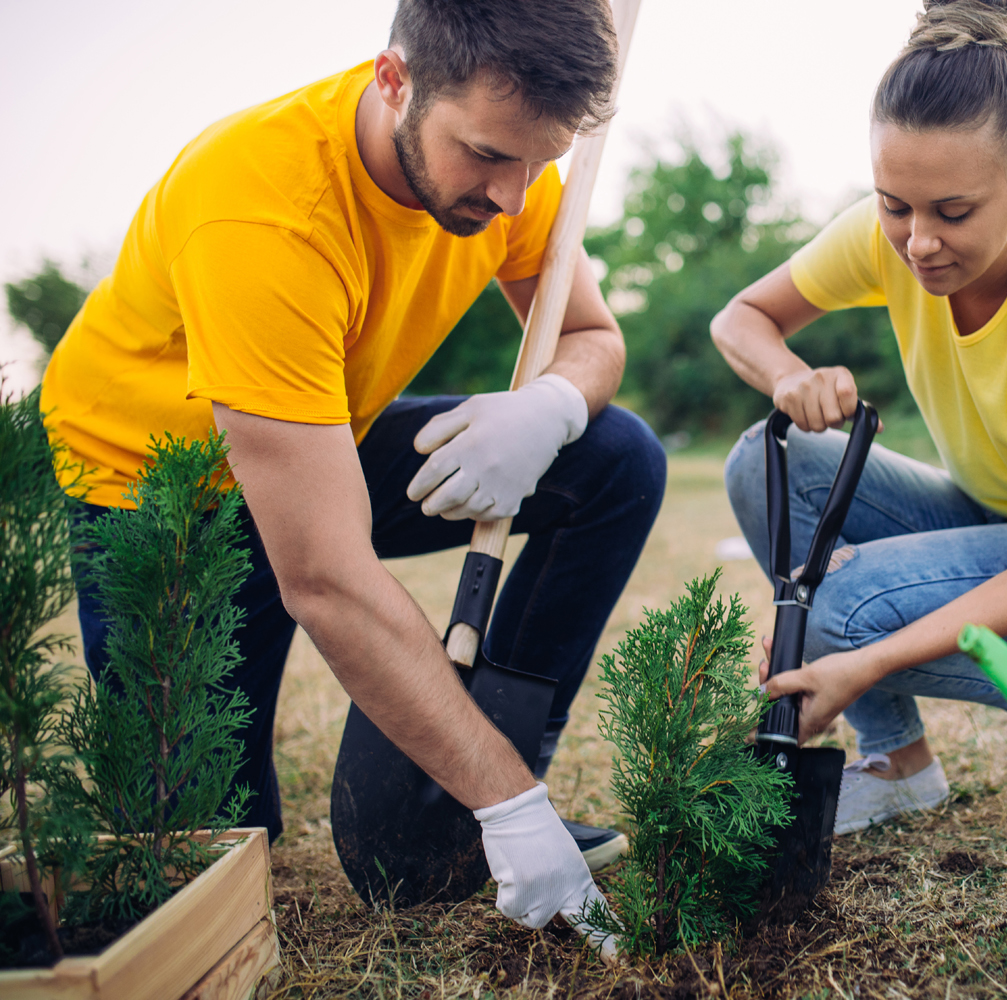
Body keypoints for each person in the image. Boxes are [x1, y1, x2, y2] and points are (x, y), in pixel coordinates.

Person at [41, 0, 664, 945]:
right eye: (489, 156)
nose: (514, 196)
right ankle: (501, 801)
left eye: (542, 162)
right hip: (155, 494)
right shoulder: (263, 210)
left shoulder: (518, 166)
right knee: (204, 853)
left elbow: (590, 336)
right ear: (393, 80)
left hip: (319, 430)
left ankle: (481, 778)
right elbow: (324, 579)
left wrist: (551, 410)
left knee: (614, 458)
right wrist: (516, 809)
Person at [710, 0, 1007, 835]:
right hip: (989, 514)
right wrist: (788, 376)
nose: (917, 241)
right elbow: (740, 320)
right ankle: (897, 764)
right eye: (894, 203)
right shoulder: (887, 232)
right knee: (766, 460)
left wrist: (854, 662)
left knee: (845, 605)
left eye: (953, 211)